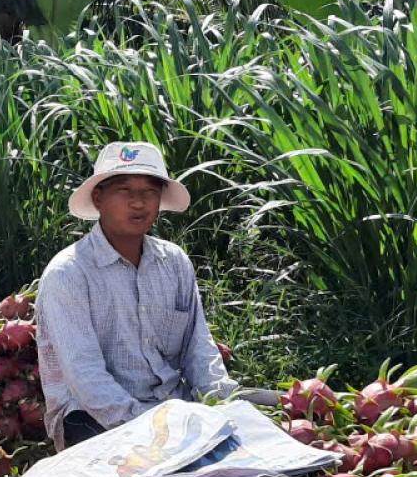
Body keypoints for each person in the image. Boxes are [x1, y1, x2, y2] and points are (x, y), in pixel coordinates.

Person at [35, 141, 281, 450]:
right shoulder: (69, 273)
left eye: (149, 192)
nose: (139, 203)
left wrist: (222, 404)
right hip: (96, 416)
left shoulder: (174, 262)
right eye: (125, 191)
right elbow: (87, 380)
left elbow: (199, 347)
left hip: (173, 408)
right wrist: (156, 430)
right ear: (99, 198)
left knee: (274, 415)